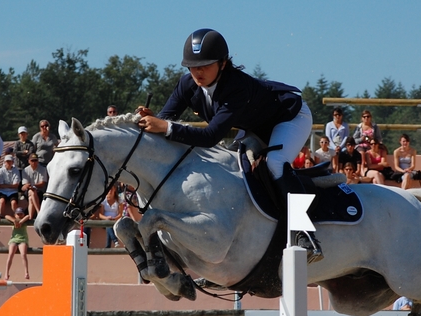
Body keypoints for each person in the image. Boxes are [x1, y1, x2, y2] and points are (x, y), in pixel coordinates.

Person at [135, 28, 322, 262]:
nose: (197, 71)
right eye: (193, 66)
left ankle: (305, 233)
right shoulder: (187, 84)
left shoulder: (236, 87)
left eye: (205, 65)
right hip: (255, 125)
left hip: (288, 117)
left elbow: (210, 136)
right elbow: (167, 118)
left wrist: (165, 126)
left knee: (275, 162)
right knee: (231, 163)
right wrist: (153, 120)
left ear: (223, 63)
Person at [4, 207, 30, 280]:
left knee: (23, 254)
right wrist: (14, 221)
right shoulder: (13, 220)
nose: (19, 215)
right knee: (11, 254)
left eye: (21, 214)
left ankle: (26, 272)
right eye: (18, 214)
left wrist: (21, 222)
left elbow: (28, 216)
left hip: (22, 239)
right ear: (15, 215)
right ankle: (6, 273)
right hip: (14, 239)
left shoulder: (24, 220)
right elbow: (6, 216)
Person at [21, 153, 48, 219]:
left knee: (31, 196)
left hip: (40, 190)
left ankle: (30, 216)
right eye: (32, 160)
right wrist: (30, 186)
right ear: (29, 161)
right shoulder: (25, 170)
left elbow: (42, 183)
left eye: (35, 160)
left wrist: (31, 185)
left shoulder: (43, 169)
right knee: (31, 192)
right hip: (29, 191)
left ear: (38, 161)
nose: (34, 162)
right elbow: (25, 185)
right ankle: (39, 212)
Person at [324, 107, 349, 172]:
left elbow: (346, 137)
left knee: (344, 152)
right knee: (334, 152)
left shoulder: (345, 125)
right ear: (333, 115)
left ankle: (341, 169)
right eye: (336, 115)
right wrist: (335, 147)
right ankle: (334, 170)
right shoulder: (329, 125)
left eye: (339, 115)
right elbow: (328, 137)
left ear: (342, 116)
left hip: (342, 146)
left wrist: (340, 147)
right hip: (332, 145)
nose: (337, 116)